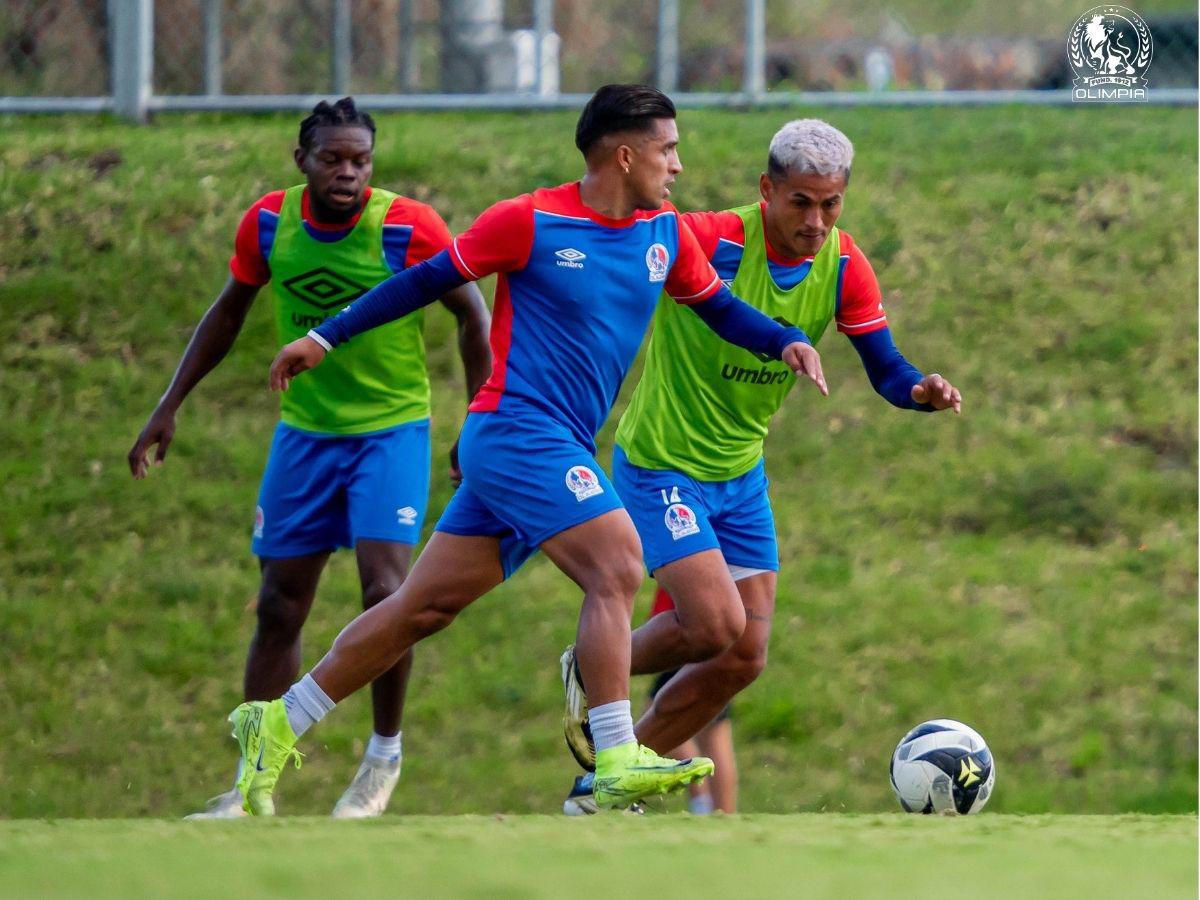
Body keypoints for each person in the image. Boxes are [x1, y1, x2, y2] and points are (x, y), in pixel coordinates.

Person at [226, 84, 829, 815]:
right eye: (668, 150)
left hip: (555, 446)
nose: (677, 166)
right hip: (515, 431)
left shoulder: (663, 233)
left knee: (421, 607)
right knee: (617, 561)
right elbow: (426, 279)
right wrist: (325, 337)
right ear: (625, 153)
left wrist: (785, 339)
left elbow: (719, 307)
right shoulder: (530, 219)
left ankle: (277, 720)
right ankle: (613, 757)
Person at [560, 118, 962, 805]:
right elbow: (618, 256)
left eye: (830, 204)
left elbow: (887, 367)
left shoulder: (841, 264)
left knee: (744, 656)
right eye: (801, 202)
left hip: (740, 477)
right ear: (766, 189)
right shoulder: (712, 239)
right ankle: (594, 662)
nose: (816, 220)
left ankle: (605, 787)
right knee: (716, 624)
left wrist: (920, 391)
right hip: (662, 465)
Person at [128, 98, 492, 818]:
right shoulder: (270, 223)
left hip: (391, 433)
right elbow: (228, 310)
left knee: (388, 594)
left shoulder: (408, 227)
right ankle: (251, 783)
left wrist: (479, 420)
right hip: (305, 435)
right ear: (303, 161)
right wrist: (169, 404)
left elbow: (473, 316)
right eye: (333, 159)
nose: (348, 173)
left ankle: (383, 754)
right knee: (279, 604)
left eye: (360, 160)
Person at [564, 587, 738, 816]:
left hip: (688, 633)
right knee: (715, 730)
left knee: (675, 717)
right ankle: (721, 811)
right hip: (715, 631)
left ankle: (702, 802)